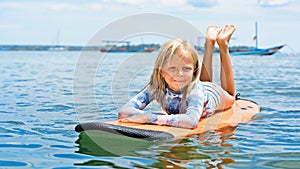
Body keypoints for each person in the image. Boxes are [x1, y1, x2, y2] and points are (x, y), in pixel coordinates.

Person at [118, 24, 236, 129]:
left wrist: (147, 118)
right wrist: (151, 117)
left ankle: (223, 44)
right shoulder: (156, 86)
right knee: (200, 82)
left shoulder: (196, 92)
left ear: (194, 71)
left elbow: (191, 122)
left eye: (186, 69)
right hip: (199, 88)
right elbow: (123, 111)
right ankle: (209, 42)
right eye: (172, 69)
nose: (179, 74)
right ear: (161, 72)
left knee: (231, 96)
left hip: (213, 94)